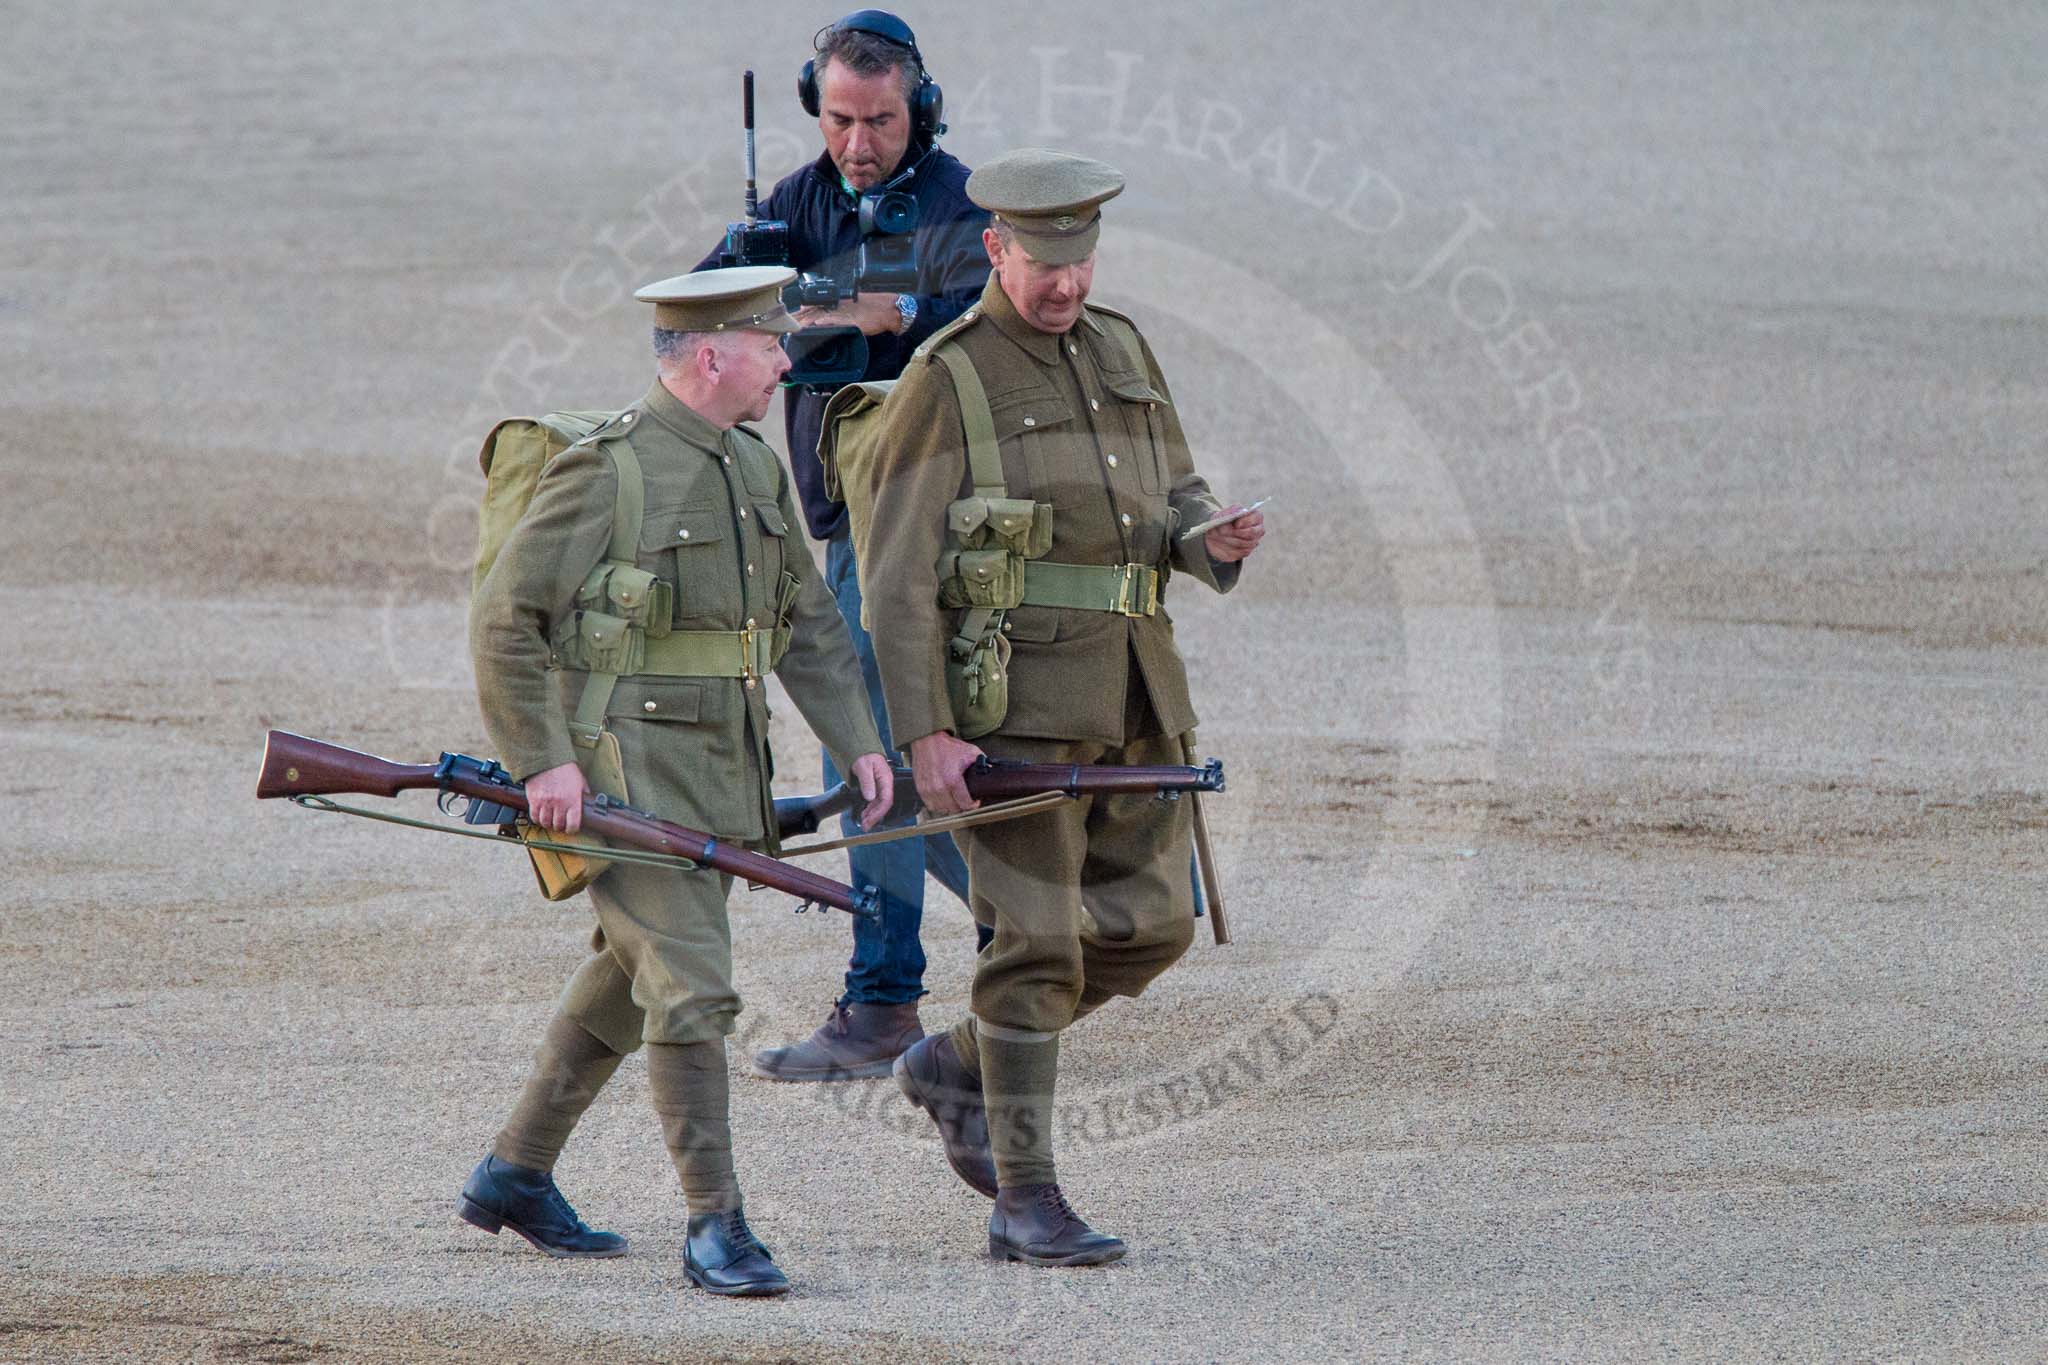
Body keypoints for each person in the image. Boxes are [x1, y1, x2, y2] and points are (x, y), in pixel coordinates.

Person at [861, 147, 1266, 1266]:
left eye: (1080, 262)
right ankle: (1024, 1198)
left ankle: (952, 1062)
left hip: (1136, 693)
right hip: (1011, 711)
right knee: (1035, 948)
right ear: (996, 248)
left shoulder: (1121, 348)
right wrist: (922, 731)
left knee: (1150, 930)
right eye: (1044, 264)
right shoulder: (946, 378)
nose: (1066, 285)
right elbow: (894, 574)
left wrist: (1203, 537)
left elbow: (1172, 489)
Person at [458, 266, 895, 1297]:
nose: (785, 361)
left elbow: (806, 623)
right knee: (694, 991)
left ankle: (512, 1174)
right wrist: (544, 762)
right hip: (621, 775)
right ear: (711, 355)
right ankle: (716, 1227)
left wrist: (859, 741)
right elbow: (504, 624)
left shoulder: (750, 464)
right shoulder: (607, 470)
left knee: (630, 971)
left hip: (717, 768)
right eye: (768, 344)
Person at [693, 10, 992, 1084]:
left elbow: (991, 327)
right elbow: (683, 323)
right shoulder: (798, 200)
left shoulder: (965, 207)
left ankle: (882, 1004)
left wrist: (888, 311)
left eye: (878, 120)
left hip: (925, 513)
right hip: (838, 514)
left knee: (867, 752)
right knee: (890, 755)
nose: (857, 143)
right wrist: (749, 279)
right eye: (837, 120)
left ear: (920, 107)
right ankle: (1033, 926)